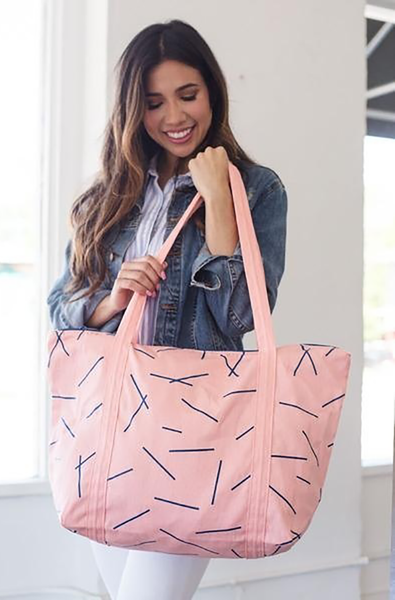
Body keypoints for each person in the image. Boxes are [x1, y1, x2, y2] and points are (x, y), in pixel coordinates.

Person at [47, 18, 288, 600]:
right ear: (134, 108)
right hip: (108, 427)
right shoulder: (105, 198)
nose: (174, 117)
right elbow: (60, 309)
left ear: (212, 91)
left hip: (197, 434)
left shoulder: (257, 188)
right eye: (154, 103)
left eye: (188, 95)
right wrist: (113, 301)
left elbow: (239, 320)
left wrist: (219, 204)